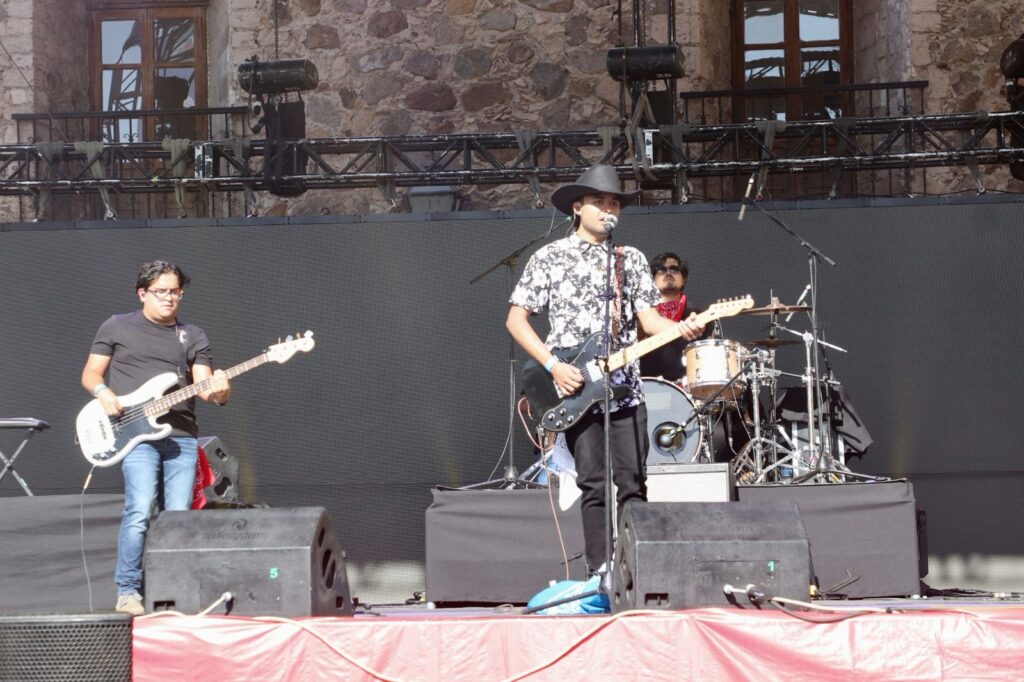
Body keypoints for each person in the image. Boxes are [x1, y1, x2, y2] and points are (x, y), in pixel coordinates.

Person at [506, 165, 704, 574]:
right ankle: (599, 570)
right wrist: (553, 366)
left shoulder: (629, 259)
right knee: (592, 483)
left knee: (632, 482)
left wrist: (682, 328)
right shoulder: (550, 257)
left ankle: (635, 570)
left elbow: (649, 320)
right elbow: (515, 320)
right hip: (576, 387)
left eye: (614, 203)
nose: (608, 209)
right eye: (599, 201)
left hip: (625, 388)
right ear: (577, 207)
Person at [81, 260, 231, 615]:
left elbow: (204, 387)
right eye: (161, 291)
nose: (169, 297)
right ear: (142, 294)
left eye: (175, 291)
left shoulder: (192, 335)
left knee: (179, 517)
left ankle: (170, 591)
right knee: (140, 508)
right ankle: (128, 591)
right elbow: (90, 373)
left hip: (181, 436)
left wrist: (221, 392)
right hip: (134, 435)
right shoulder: (116, 326)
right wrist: (103, 392)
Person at [639, 253, 710, 382]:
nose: (668, 273)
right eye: (661, 269)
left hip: (686, 389)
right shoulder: (641, 315)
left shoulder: (701, 316)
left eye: (674, 269)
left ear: (684, 279)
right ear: (652, 280)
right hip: (644, 386)